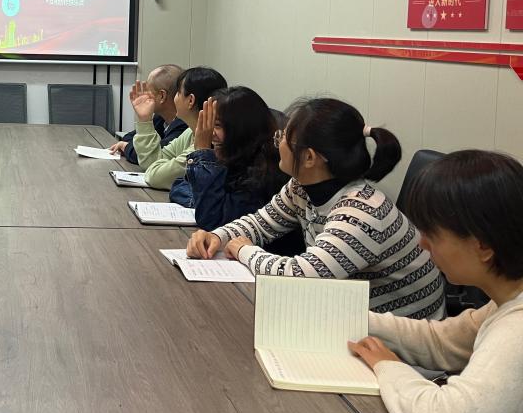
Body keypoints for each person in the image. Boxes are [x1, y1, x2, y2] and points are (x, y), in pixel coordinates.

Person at [187, 97, 445, 320]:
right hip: (350, 320)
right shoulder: (301, 186)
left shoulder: (361, 213)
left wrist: (244, 250)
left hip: (400, 343)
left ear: (309, 157)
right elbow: (260, 223)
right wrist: (217, 237)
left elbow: (301, 277)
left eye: (283, 138)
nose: (278, 144)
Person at [348, 151, 523, 413]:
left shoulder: (516, 331)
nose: (423, 243)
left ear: (482, 246)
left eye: (432, 234)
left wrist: (389, 366)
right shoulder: (506, 300)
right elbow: (442, 341)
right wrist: (345, 318)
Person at [183, 87, 302, 255]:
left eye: (216, 125)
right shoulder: (234, 156)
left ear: (241, 129)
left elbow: (213, 219)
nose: (208, 133)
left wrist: (203, 151)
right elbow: (180, 186)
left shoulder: (265, 172)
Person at [131, 66, 227, 195]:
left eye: (177, 93)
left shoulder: (213, 140)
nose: (174, 99)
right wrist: (145, 119)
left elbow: (156, 177)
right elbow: (152, 162)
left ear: (190, 100)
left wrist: (160, 168)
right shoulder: (190, 132)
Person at [108, 65, 187, 164]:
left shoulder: (183, 126)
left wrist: (125, 146)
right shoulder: (160, 118)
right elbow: (129, 137)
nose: (144, 95)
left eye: (148, 90)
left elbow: (149, 157)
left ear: (162, 96)